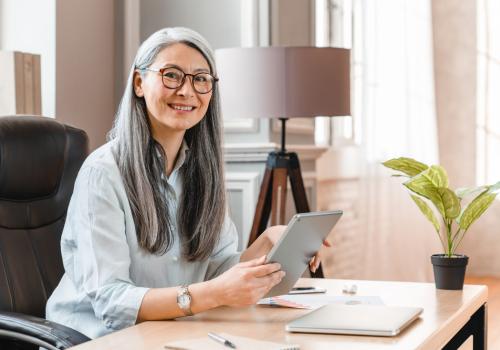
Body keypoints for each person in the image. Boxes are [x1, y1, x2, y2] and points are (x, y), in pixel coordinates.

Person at [46, 27, 327, 339]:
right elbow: (112, 303)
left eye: (201, 79)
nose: (186, 91)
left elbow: (216, 270)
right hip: (96, 338)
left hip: (168, 333)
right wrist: (214, 294)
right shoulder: (103, 173)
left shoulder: (202, 171)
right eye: (171, 75)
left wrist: (268, 243)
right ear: (139, 83)